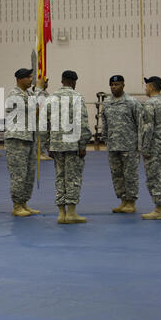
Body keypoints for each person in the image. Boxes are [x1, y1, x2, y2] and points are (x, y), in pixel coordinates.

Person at [46, 70, 92, 224]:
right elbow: (83, 123)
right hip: (73, 145)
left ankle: (61, 213)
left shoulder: (52, 98)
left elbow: (44, 124)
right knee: (72, 178)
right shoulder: (77, 97)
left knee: (60, 177)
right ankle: (71, 213)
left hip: (56, 145)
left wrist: (49, 144)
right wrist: (83, 144)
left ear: (61, 81)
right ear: (74, 82)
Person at [4, 68, 42, 217]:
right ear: (19, 79)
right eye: (28, 77)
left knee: (29, 174)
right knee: (19, 174)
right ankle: (17, 205)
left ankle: (24, 202)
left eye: (31, 77)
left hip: (29, 137)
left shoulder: (29, 93)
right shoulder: (15, 94)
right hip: (17, 139)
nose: (31, 79)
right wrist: (39, 90)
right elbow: (33, 107)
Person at [101, 75, 142, 214]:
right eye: (112, 85)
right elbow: (105, 122)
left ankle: (131, 202)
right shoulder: (107, 103)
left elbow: (140, 124)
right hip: (113, 145)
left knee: (130, 175)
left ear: (123, 85)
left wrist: (140, 144)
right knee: (117, 175)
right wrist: (104, 138)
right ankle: (123, 200)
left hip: (129, 145)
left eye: (117, 84)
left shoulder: (132, 102)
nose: (114, 87)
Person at [140, 76, 161, 220]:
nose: (145, 88)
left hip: (154, 147)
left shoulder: (150, 104)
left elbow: (148, 129)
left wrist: (145, 148)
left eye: (146, 86)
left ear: (151, 87)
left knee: (155, 177)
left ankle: (159, 209)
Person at [38, 78, 52, 161]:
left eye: (47, 82)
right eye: (45, 82)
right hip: (41, 118)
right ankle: (39, 153)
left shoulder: (45, 93)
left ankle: (42, 153)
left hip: (46, 118)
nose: (47, 84)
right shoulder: (40, 94)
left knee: (45, 136)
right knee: (41, 136)